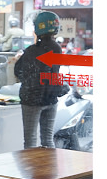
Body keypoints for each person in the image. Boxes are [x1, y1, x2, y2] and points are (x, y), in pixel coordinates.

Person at [14, 11, 67, 149]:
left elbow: (18, 71)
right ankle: (48, 169)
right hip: (50, 98)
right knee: (48, 140)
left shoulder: (31, 50)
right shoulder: (56, 48)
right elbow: (53, 73)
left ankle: (31, 170)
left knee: (30, 141)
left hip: (31, 100)